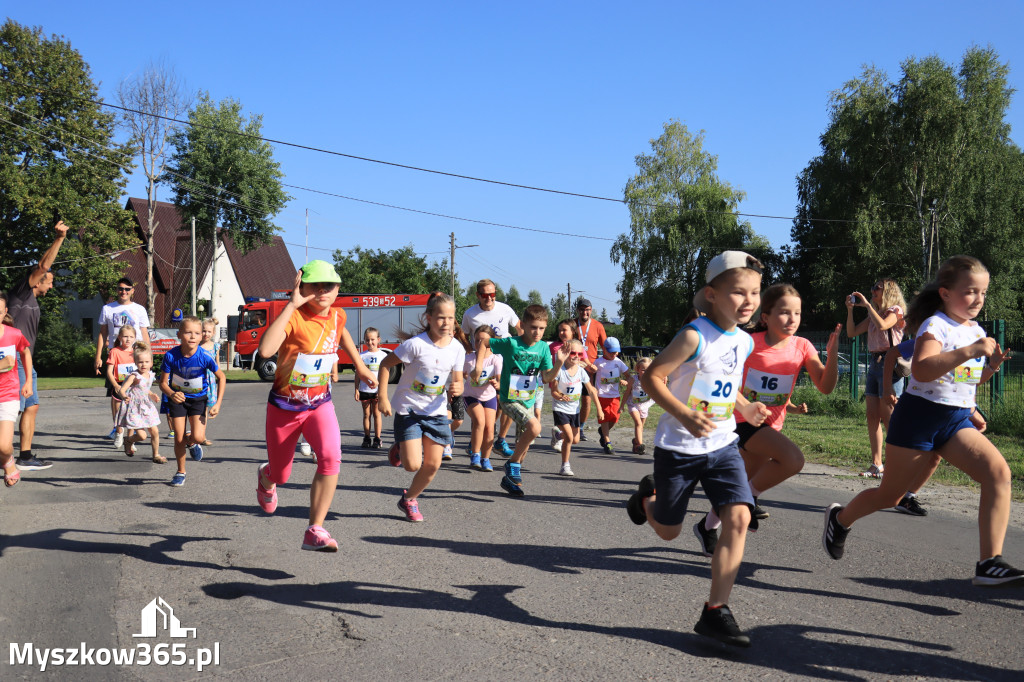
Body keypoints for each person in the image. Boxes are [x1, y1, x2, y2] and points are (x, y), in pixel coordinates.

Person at [823, 255, 1022, 587]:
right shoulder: (936, 326)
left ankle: (990, 562)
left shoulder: (976, 331)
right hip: (918, 418)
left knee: (999, 473)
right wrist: (971, 351)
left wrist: (990, 368)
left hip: (955, 420)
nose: (978, 299)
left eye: (983, 293)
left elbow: (968, 380)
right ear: (945, 293)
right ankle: (840, 519)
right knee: (890, 495)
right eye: (970, 291)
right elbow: (923, 369)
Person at [626, 251, 768, 647]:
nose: (748, 301)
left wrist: (744, 406)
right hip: (678, 448)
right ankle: (644, 502)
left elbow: (725, 382)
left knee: (738, 516)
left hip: (722, 445)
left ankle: (715, 610)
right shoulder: (694, 335)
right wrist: (684, 414)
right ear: (712, 294)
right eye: (738, 292)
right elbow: (654, 377)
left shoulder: (743, 340)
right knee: (668, 532)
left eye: (754, 292)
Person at [255, 262, 377, 551]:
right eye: (314, 285)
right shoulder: (294, 317)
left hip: (319, 404)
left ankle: (315, 529)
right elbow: (265, 350)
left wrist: (359, 366)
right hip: (285, 407)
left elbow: (342, 333)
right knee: (281, 475)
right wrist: (291, 305)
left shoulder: (338, 315)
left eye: (330, 285)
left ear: (338, 289)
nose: (323, 290)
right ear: (302, 287)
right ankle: (266, 477)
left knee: (331, 458)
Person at [730, 284, 840, 534]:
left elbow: (825, 386)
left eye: (797, 313)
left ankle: (708, 526)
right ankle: (748, 500)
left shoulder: (802, 346)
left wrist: (831, 355)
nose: (792, 319)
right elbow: (725, 380)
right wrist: (746, 407)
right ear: (765, 317)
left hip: (772, 426)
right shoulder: (748, 343)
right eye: (784, 312)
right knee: (793, 460)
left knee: (737, 491)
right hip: (742, 421)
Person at [377, 292, 465, 522]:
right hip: (410, 410)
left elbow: (458, 380)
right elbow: (385, 365)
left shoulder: (457, 348)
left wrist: (458, 388)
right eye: (440, 318)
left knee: (433, 465)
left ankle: (409, 499)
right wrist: (382, 397)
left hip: (435, 412)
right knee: (412, 465)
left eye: (450, 318)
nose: (446, 323)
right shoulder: (415, 345)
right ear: (428, 317)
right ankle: (401, 447)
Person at [489, 304, 569, 497]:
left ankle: (510, 481)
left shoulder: (543, 348)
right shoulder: (511, 343)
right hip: (510, 399)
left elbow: (547, 378)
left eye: (541, 328)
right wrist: (477, 364)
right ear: (523, 325)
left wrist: (559, 362)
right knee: (535, 428)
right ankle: (512, 464)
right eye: (533, 327)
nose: (537, 332)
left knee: (523, 446)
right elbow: (485, 343)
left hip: (528, 401)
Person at [9, 220, 69, 471]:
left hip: (26, 362)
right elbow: (44, 265)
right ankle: (12, 456)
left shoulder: (31, 300)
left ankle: (24, 456)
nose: (52, 284)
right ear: (36, 282)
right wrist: (59, 239)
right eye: (50, 281)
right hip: (14, 362)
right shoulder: (22, 292)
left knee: (31, 406)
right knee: (9, 411)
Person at [846, 278, 906, 478]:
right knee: (872, 416)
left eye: (876, 288)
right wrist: (850, 310)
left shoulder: (896, 311)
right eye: (872, 287)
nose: (872, 290)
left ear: (888, 291)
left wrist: (867, 306)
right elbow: (852, 332)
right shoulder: (875, 313)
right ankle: (877, 463)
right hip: (874, 364)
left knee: (890, 419)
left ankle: (896, 465)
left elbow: (882, 326)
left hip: (890, 365)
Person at [160, 316, 225, 487]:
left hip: (198, 400)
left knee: (198, 436)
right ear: (179, 334)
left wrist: (217, 404)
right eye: (188, 332)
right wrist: (172, 393)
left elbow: (222, 377)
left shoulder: (204, 356)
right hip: (178, 400)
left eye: (197, 333)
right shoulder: (170, 356)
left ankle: (192, 441)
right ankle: (181, 472)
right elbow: (162, 383)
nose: (193, 336)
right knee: (178, 438)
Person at [461, 279, 522, 457]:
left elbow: (519, 328)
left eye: (493, 294)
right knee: (486, 400)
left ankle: (500, 440)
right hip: (483, 361)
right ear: (478, 295)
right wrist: (470, 351)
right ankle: (478, 440)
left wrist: (523, 349)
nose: (490, 298)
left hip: (506, 360)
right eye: (485, 295)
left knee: (509, 401)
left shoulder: (505, 309)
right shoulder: (470, 314)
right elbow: (463, 334)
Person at [548, 339, 596, 476]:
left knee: (575, 439)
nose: (576, 356)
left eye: (579, 354)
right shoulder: (559, 370)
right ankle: (565, 466)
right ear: (565, 352)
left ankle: (558, 435)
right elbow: (553, 392)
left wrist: (599, 409)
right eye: (572, 352)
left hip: (574, 410)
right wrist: (560, 396)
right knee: (569, 438)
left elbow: (591, 390)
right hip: (560, 408)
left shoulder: (581, 371)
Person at [0, 291, 33, 487]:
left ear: (4, 312)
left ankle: (8, 461)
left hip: (7, 394)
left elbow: (25, 352)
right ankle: (7, 462)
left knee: (4, 445)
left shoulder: (14, 334)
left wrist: (28, 381)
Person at [94, 277, 151, 382]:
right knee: (116, 390)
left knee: (136, 389)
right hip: (116, 353)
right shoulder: (107, 309)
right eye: (121, 289)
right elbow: (103, 333)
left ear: (132, 291)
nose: (124, 291)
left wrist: (148, 356)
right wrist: (98, 357)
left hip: (135, 353)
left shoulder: (140, 309)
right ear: (117, 290)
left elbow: (144, 334)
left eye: (127, 289)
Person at [117, 342, 166, 463]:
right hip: (135, 408)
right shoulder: (134, 376)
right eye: (140, 362)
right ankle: (129, 441)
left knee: (155, 431)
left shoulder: (150, 374)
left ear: (151, 362)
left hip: (147, 406)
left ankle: (156, 455)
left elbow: (144, 388)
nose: (143, 364)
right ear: (135, 362)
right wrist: (124, 396)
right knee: (142, 436)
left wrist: (152, 395)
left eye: (146, 362)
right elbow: (122, 389)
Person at [463, 325, 503, 472]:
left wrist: (496, 383)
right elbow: (459, 374)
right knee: (479, 421)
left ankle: (485, 459)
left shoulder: (495, 359)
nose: (480, 344)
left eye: (483, 340)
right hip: (471, 395)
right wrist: (465, 376)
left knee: (489, 428)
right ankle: (475, 454)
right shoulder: (469, 359)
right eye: (477, 340)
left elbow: (499, 381)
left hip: (489, 396)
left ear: (491, 342)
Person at [574, 299, 607, 439]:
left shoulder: (598, 326)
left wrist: (606, 366)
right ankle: (569, 426)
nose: (584, 312)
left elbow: (606, 348)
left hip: (590, 370)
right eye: (582, 309)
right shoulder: (572, 324)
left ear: (591, 310)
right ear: (578, 311)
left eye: (587, 309)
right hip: (573, 368)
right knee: (571, 398)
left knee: (587, 401)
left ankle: (580, 428)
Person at [593, 336, 631, 454]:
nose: (614, 354)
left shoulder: (618, 362)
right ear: (604, 349)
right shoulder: (599, 362)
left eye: (616, 352)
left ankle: (603, 433)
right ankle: (607, 442)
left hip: (615, 395)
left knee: (614, 418)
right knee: (605, 418)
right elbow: (591, 372)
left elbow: (628, 375)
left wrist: (626, 381)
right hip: (602, 395)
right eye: (611, 352)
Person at [547, 319, 579, 450]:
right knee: (559, 409)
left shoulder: (577, 346)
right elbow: (546, 361)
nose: (561, 332)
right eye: (559, 330)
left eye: (564, 330)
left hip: (572, 384)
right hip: (557, 383)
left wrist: (590, 366)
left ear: (572, 332)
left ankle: (559, 435)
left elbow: (583, 360)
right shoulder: (553, 346)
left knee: (575, 439)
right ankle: (562, 437)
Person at [105, 325, 138, 448]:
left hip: (133, 388)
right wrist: (115, 385)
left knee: (132, 414)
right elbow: (109, 371)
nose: (128, 339)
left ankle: (130, 439)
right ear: (119, 337)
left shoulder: (136, 352)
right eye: (125, 336)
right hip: (119, 386)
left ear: (135, 338)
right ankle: (119, 432)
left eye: (131, 337)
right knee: (119, 413)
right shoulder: (115, 351)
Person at [356, 327, 386, 449]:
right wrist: (356, 389)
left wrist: (381, 391)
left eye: (373, 339)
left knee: (377, 414)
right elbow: (357, 374)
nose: (370, 342)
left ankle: (377, 439)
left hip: (377, 392)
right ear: (364, 340)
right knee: (366, 415)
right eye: (367, 340)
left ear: (378, 340)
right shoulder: (361, 356)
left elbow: (385, 376)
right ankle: (367, 438)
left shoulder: (383, 355)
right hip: (364, 390)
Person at [625, 357, 657, 455]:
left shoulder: (651, 379)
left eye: (648, 370)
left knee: (641, 427)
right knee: (638, 424)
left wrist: (664, 378)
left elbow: (661, 385)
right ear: (638, 369)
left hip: (644, 405)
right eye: (643, 370)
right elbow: (626, 393)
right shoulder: (633, 379)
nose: (645, 372)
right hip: (633, 404)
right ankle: (640, 445)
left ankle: (635, 442)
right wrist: (621, 406)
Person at [199, 318, 220, 446]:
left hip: (211, 380)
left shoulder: (215, 346)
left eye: (208, 331)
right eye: (203, 331)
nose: (206, 334)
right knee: (199, 409)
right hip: (199, 379)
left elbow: (217, 364)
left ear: (213, 333)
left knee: (205, 410)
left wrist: (219, 378)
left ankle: (202, 436)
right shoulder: (197, 346)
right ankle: (197, 434)